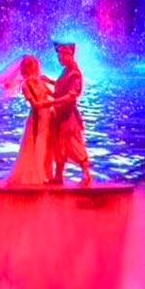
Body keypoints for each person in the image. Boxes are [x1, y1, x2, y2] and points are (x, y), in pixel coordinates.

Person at [6, 55, 54, 186]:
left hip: (46, 117)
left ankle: (44, 174)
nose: (37, 70)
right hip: (37, 118)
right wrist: (53, 103)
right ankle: (33, 175)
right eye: (34, 68)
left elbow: (55, 94)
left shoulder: (41, 82)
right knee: (34, 144)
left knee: (45, 145)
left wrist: (51, 82)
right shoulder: (26, 85)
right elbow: (35, 104)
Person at [49, 42, 92, 186]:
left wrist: (53, 102)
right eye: (58, 56)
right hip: (59, 113)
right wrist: (48, 83)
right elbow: (60, 88)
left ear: (69, 55)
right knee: (59, 144)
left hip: (68, 115)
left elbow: (72, 94)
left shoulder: (74, 73)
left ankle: (86, 174)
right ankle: (58, 176)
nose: (59, 58)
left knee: (73, 143)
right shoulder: (66, 71)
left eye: (61, 55)